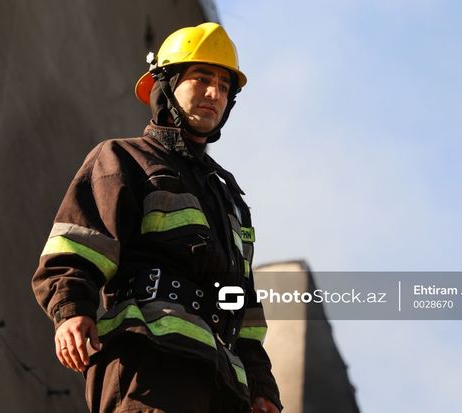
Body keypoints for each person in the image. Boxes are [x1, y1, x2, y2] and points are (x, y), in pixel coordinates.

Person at [32, 22, 282, 413]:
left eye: (224, 86)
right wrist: (71, 311)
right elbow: (77, 246)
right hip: (148, 365)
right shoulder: (124, 159)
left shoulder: (229, 200)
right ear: (166, 85)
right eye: (202, 78)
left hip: (221, 387)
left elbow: (242, 304)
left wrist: (261, 387)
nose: (214, 94)